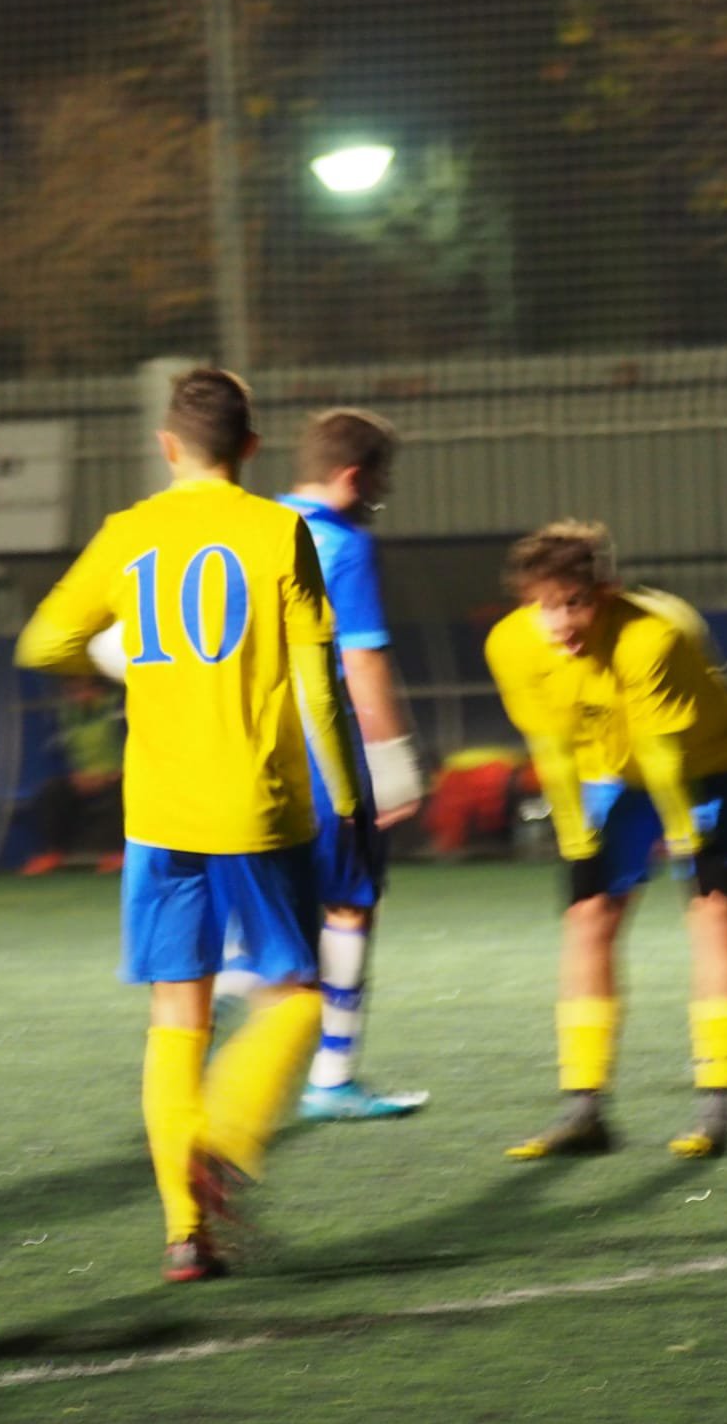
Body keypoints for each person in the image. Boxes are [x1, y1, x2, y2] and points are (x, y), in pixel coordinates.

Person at [16, 367, 367, 1282]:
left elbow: (44, 643)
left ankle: (184, 1231)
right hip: (258, 806)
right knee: (297, 994)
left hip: (159, 813)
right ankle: (226, 1140)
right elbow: (320, 687)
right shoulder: (279, 530)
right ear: (250, 448)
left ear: (166, 445)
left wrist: (133, 659)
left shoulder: (128, 533)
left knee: (178, 1017)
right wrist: (350, 801)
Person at [485, 520, 727, 1160]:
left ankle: (716, 1108)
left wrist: (688, 839)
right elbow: (551, 749)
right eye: (543, 606)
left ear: (606, 591)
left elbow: (662, 755)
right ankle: (584, 1112)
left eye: (574, 603)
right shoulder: (512, 644)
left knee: (712, 911)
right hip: (610, 772)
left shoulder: (653, 635)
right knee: (588, 917)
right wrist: (577, 845)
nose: (560, 623)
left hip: (704, 767)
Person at [260, 408, 430, 1122]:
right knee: (348, 903)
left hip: (251, 749)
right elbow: (360, 661)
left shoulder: (254, 527)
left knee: (266, 906)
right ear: (356, 476)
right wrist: (391, 761)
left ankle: (229, 1042)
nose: (382, 495)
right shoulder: (344, 544)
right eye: (382, 481)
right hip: (325, 752)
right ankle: (330, 1077)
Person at [21, 676, 124, 876]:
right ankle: (53, 852)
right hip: (85, 779)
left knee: (122, 791)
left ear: (99, 690)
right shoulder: (68, 716)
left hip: (119, 774)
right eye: (72, 691)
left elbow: (135, 743)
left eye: (84, 690)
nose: (78, 696)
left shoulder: (118, 711)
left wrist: (111, 773)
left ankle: (119, 853)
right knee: (53, 791)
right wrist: (78, 776)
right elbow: (58, 751)